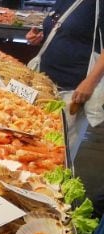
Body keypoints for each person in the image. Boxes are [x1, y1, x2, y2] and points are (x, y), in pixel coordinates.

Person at [26, 0, 104, 159]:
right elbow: (65, 31)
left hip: (73, 90)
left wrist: (90, 82)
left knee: (57, 154)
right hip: (46, 86)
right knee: (36, 149)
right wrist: (39, 37)